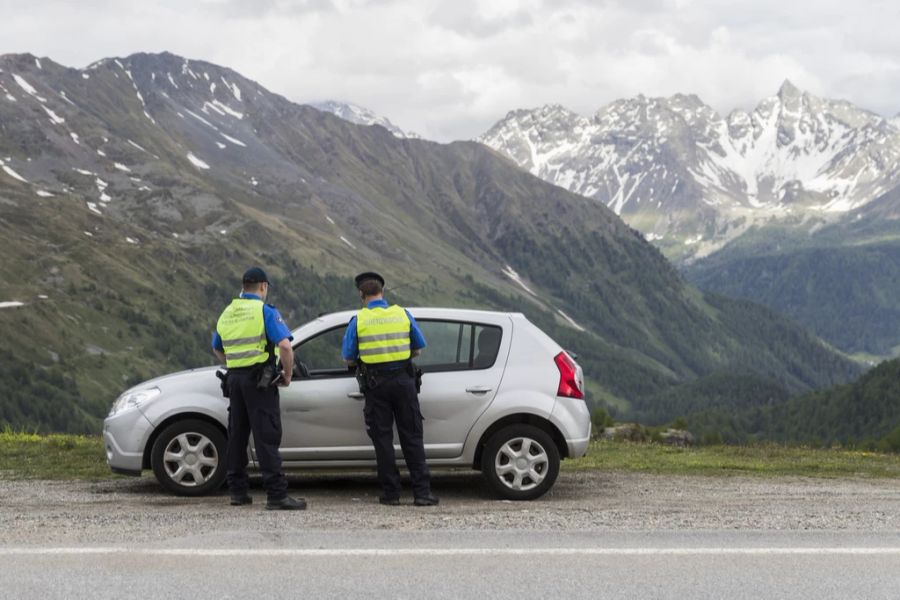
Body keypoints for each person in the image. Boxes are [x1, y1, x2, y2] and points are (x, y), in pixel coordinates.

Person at [212, 267, 306, 511]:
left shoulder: (227, 312)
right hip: (259, 381)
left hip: (234, 380)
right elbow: (285, 347)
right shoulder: (264, 311)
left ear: (244, 286)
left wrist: (235, 364)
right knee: (267, 437)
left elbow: (217, 348)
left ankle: (238, 492)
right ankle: (276, 495)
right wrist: (286, 375)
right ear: (263, 286)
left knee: (237, 436)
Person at [342, 272, 439, 507]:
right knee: (413, 438)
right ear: (382, 293)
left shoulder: (359, 321)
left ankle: (391, 494)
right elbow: (418, 349)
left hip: (376, 387)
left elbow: (348, 358)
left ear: (362, 296)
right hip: (404, 383)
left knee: (383, 440)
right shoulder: (402, 314)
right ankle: (422, 493)